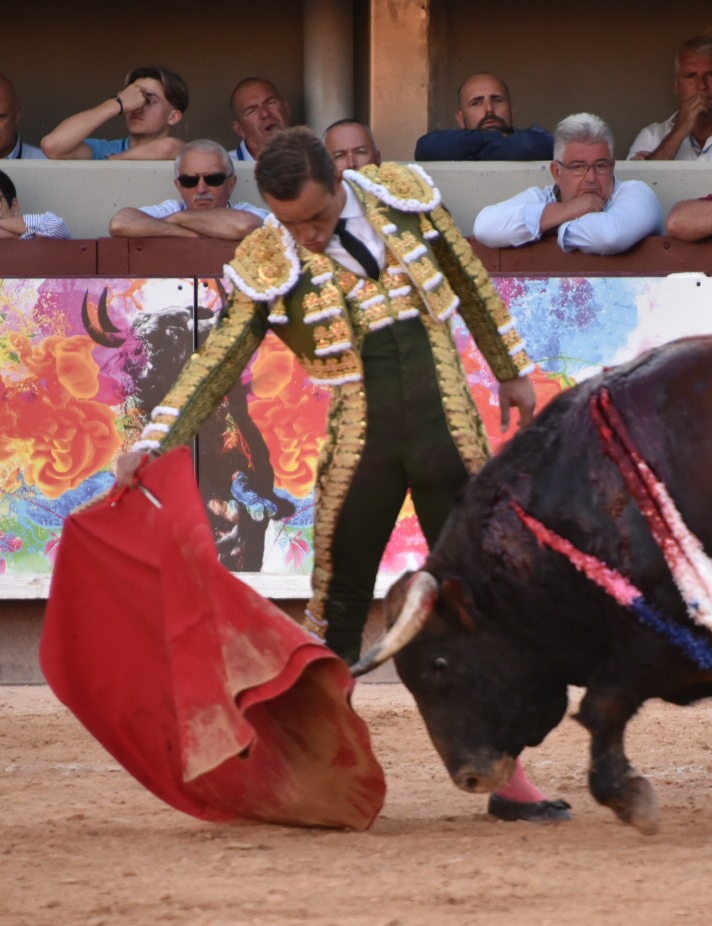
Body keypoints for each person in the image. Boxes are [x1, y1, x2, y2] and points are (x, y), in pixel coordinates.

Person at [117, 128, 568, 822]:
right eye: (294, 226)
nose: (312, 237)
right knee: (335, 604)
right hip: (364, 445)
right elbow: (220, 359)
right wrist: (154, 438)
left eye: (320, 219)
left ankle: (505, 773)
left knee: (480, 598)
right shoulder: (269, 254)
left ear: (342, 181)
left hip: (449, 431)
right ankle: (317, 769)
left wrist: (509, 370)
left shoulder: (404, 200)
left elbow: (469, 278)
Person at [473, 113, 662, 255]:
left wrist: (553, 225)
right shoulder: (545, 196)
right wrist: (569, 209)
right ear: (557, 172)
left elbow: (610, 237)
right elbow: (485, 227)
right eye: (578, 167)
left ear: (612, 167)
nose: (591, 178)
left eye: (600, 166)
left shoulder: (637, 192)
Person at [108, 140, 266, 239]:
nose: (201, 188)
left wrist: (179, 219)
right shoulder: (172, 209)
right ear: (178, 186)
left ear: (231, 185)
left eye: (213, 179)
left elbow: (246, 226)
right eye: (190, 180)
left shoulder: (244, 211)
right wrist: (188, 233)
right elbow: (120, 223)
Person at [41, 66, 188, 161]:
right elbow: (52, 145)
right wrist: (118, 103)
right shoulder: (107, 150)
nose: (137, 107)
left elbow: (168, 148)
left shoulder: (186, 152)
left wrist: (114, 160)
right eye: (134, 99)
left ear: (173, 117)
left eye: (149, 101)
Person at [414, 72, 552, 161]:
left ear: (512, 111)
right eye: (476, 103)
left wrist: (471, 150)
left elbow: (529, 146)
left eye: (497, 100)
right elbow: (426, 148)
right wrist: (499, 139)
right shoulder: (448, 143)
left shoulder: (536, 137)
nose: (489, 109)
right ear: (461, 119)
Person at [228, 77, 293, 164]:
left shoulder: (314, 160)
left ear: (287, 109)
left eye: (270, 102)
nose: (265, 113)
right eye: (252, 111)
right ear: (240, 129)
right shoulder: (223, 169)